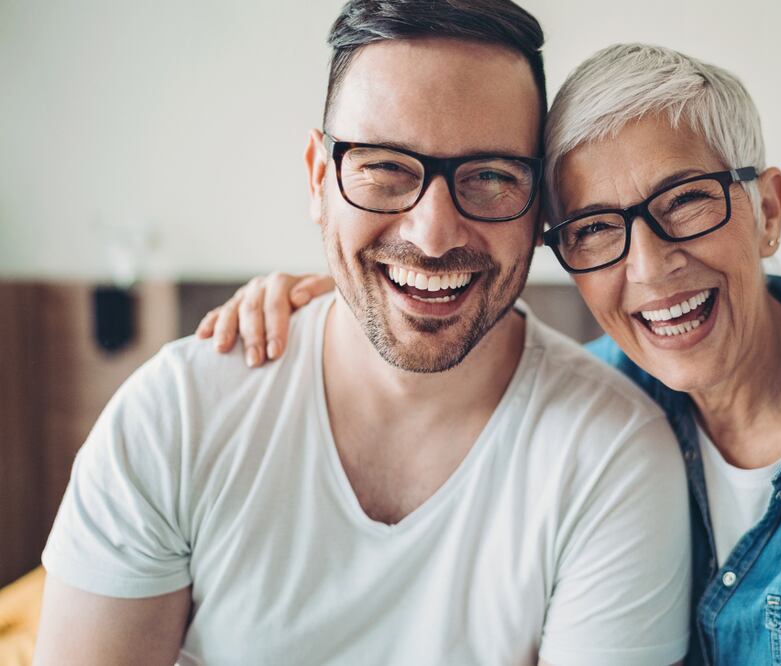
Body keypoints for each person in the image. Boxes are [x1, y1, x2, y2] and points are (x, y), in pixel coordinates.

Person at [210, 43, 781, 664]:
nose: (649, 267)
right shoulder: (585, 418)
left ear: (767, 209)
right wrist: (331, 302)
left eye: (686, 202)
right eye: (596, 230)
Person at [34, 3, 694, 664]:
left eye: (491, 177)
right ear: (320, 178)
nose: (433, 234)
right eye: (384, 168)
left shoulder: (613, 457)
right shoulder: (177, 415)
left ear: (538, 208)